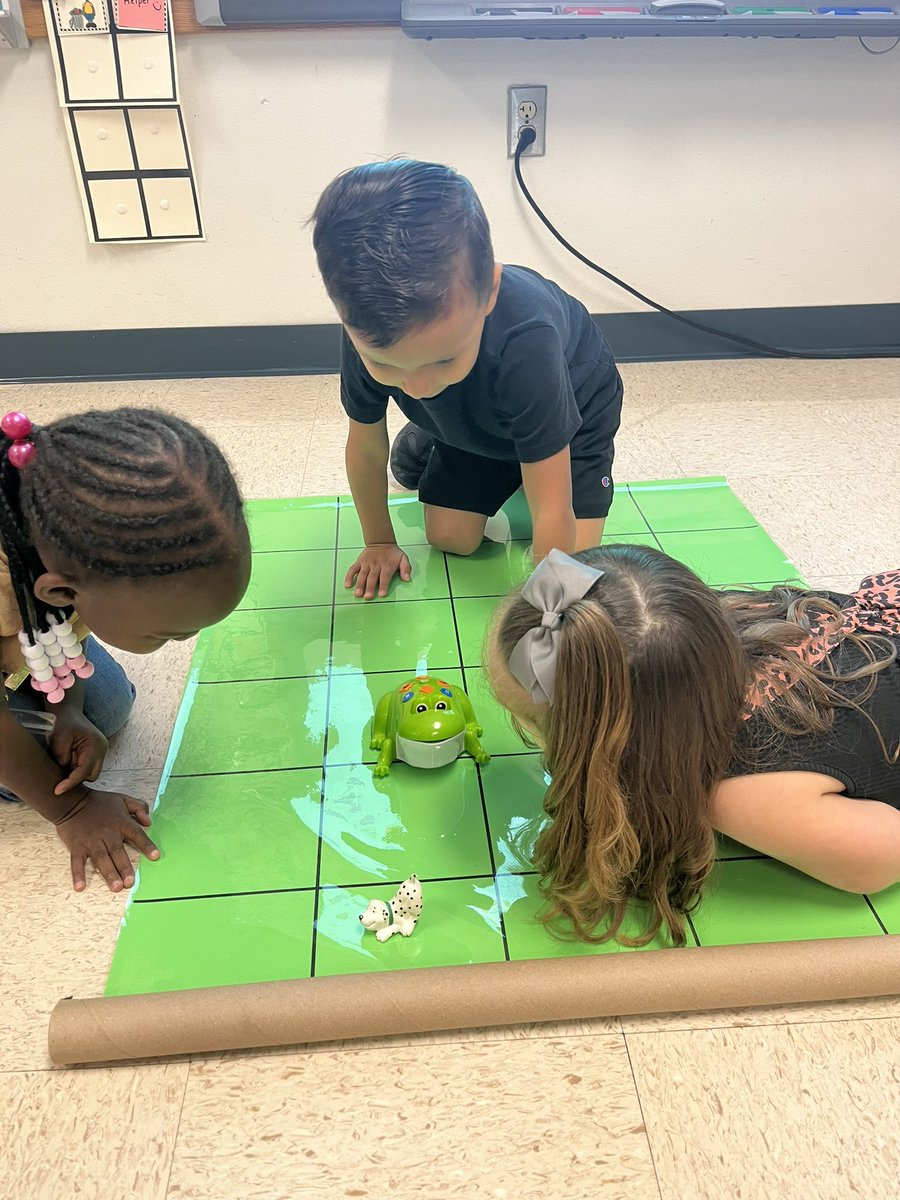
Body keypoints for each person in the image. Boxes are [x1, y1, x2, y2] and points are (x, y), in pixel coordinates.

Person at [487, 545, 900, 947]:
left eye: (531, 725)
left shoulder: (744, 793)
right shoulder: (682, 632)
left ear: (612, 746)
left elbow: (873, 865)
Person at [311, 159, 623, 600]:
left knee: (579, 562)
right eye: (387, 367)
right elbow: (364, 442)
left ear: (490, 291)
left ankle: (455, 440)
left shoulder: (527, 339)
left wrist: (550, 600)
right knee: (451, 537)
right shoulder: (368, 331)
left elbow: (553, 507)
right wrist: (379, 541)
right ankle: (438, 435)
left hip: (573, 411)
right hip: (477, 417)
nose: (416, 387)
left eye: (442, 359)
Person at [0, 407, 250, 893]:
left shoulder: (67, 541)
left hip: (26, 633)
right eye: (169, 633)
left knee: (107, 707)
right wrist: (71, 810)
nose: (187, 641)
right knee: (24, 781)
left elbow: (71, 628)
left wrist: (67, 707)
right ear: (58, 591)